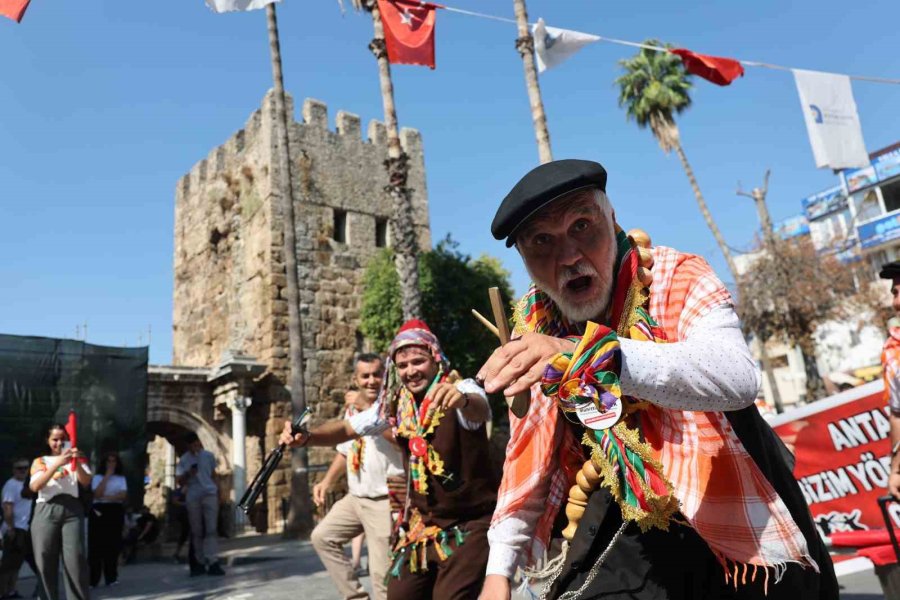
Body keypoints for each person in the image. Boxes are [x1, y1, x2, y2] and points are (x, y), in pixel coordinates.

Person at [477, 160, 837, 600]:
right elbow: (527, 460)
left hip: (736, 510)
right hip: (629, 522)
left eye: (583, 226)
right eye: (542, 241)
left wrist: (595, 356)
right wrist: (498, 573)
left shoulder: (675, 275)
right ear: (525, 262)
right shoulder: (536, 326)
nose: (569, 257)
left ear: (613, 221)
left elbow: (737, 376)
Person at [281, 320, 497, 599]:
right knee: (398, 594)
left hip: (469, 525)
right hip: (422, 526)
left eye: (418, 361)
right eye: (403, 365)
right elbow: (348, 428)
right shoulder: (395, 404)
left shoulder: (460, 389)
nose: (411, 371)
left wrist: (463, 400)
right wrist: (308, 437)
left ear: (435, 358)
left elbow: (479, 411)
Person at [307, 353, 404, 600]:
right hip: (356, 497)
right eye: (365, 376)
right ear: (356, 379)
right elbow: (345, 449)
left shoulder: (397, 402)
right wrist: (326, 481)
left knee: (382, 577)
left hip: (384, 500)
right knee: (322, 537)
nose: (371, 381)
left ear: (385, 376)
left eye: (376, 374)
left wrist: (369, 411)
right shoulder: (352, 409)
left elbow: (402, 441)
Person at [28, 424, 92, 600]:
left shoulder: (78, 458)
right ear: (48, 441)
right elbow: (35, 486)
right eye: (55, 439)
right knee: (45, 560)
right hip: (46, 508)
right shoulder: (40, 461)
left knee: (76, 562)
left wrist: (75, 461)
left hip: (72, 509)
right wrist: (57, 463)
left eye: (63, 439)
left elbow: (85, 481)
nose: (59, 443)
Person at [176, 433, 224, 576]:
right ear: (188, 445)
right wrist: (189, 473)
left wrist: (219, 492)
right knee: (196, 530)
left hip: (209, 493)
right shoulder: (184, 460)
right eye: (192, 445)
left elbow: (214, 475)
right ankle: (200, 562)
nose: (195, 447)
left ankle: (213, 560)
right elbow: (179, 481)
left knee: (211, 528)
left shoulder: (208, 456)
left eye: (196, 444)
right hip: (193, 495)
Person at [1, 460, 43, 600]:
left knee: (16, 565)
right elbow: (7, 508)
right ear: (13, 470)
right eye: (19, 468)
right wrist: (11, 528)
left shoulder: (28, 484)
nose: (23, 471)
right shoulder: (10, 485)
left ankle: (11, 591)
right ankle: (3, 592)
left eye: (26, 468)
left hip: (26, 529)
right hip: (14, 529)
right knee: (8, 565)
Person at [88, 452, 127, 587]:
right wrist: (107, 476)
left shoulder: (121, 478)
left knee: (113, 544)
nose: (111, 464)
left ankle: (111, 577)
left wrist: (106, 497)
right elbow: (97, 494)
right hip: (99, 510)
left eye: (114, 461)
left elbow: (122, 496)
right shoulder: (97, 477)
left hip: (115, 511)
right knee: (96, 545)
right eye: (108, 461)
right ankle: (93, 579)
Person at [879, 261, 900, 499]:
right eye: (894, 293)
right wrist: (896, 470)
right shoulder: (894, 350)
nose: (896, 302)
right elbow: (898, 413)